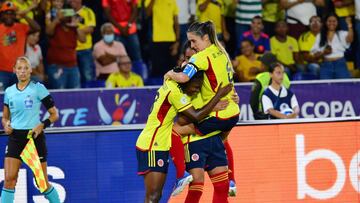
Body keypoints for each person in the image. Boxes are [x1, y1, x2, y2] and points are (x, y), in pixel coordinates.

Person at [165, 21, 240, 201]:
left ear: (204, 38)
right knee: (197, 185)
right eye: (188, 54)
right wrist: (212, 106)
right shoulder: (181, 83)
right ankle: (183, 174)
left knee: (221, 187)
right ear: (183, 60)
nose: (193, 51)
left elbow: (228, 86)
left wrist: (231, 96)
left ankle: (232, 180)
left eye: (194, 44)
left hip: (212, 132)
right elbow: (183, 118)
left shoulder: (206, 63)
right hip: (194, 141)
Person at [136, 71, 232, 203]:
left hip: (161, 143)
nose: (197, 91)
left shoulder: (171, 84)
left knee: (156, 196)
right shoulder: (175, 92)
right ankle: (181, 175)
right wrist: (218, 96)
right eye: (196, 87)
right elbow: (196, 115)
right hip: (153, 143)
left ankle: (181, 175)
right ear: (186, 81)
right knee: (153, 196)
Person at [1, 57, 60, 203]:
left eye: (25, 68)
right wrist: (5, 124)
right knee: (9, 179)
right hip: (15, 138)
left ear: (30, 70)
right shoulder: (9, 92)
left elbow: (54, 115)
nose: (22, 71)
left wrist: (42, 125)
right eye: (19, 68)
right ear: (14, 71)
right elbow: (5, 117)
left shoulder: (38, 88)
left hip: (33, 138)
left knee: (43, 184)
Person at [0, 1, 40, 91]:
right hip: (2, 71)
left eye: (12, 14)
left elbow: (37, 28)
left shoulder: (21, 27)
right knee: (2, 98)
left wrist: (24, 15)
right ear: (2, 15)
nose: (9, 16)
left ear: (15, 16)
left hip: (19, 71)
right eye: (6, 13)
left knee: (19, 98)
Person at [45, 0, 86, 89]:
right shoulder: (56, 26)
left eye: (69, 15)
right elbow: (48, 32)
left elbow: (83, 40)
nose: (67, 17)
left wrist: (77, 26)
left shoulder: (74, 28)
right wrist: (57, 19)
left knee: (75, 94)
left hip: (73, 67)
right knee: (60, 94)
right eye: (65, 15)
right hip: (57, 67)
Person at [249, 52, 291, 120]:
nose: (260, 65)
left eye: (262, 63)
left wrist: (256, 114)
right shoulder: (285, 77)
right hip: (280, 113)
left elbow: (253, 100)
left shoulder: (261, 78)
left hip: (263, 114)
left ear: (266, 66)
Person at [311, 14, 353, 79]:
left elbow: (350, 39)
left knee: (343, 87)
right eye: (329, 21)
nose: (332, 23)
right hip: (326, 65)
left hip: (340, 64)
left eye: (334, 21)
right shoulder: (320, 36)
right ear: (325, 22)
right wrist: (324, 53)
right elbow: (314, 54)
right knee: (325, 87)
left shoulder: (341, 33)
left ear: (337, 22)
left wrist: (349, 25)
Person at [146, 0, 180, 78]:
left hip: (171, 40)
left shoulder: (172, 1)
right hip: (156, 40)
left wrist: (177, 41)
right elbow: (147, 14)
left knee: (172, 70)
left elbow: (176, 22)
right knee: (158, 70)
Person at [70, 0, 97, 87]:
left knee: (87, 75)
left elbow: (90, 29)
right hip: (70, 49)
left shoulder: (88, 12)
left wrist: (75, 30)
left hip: (85, 48)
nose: (72, 1)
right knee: (74, 76)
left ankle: (89, 96)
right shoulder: (67, 12)